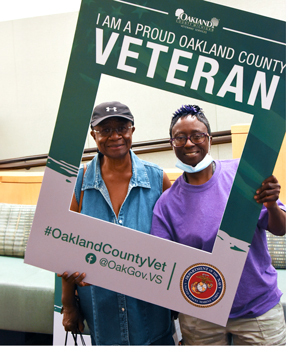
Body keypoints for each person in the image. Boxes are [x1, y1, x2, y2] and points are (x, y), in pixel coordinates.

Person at [150, 104, 286, 345]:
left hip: (257, 309)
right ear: (172, 143)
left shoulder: (243, 175)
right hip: (200, 313)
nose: (189, 143)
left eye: (197, 135)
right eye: (180, 138)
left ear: (209, 139)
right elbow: (162, 262)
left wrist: (272, 204)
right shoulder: (166, 203)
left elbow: (281, 228)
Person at [59, 101, 174, 345]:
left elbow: (176, 238)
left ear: (132, 130)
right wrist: (69, 306)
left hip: (150, 311)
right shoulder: (79, 182)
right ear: (93, 135)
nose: (115, 136)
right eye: (105, 130)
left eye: (122, 128)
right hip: (102, 312)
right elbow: (66, 248)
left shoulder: (156, 178)